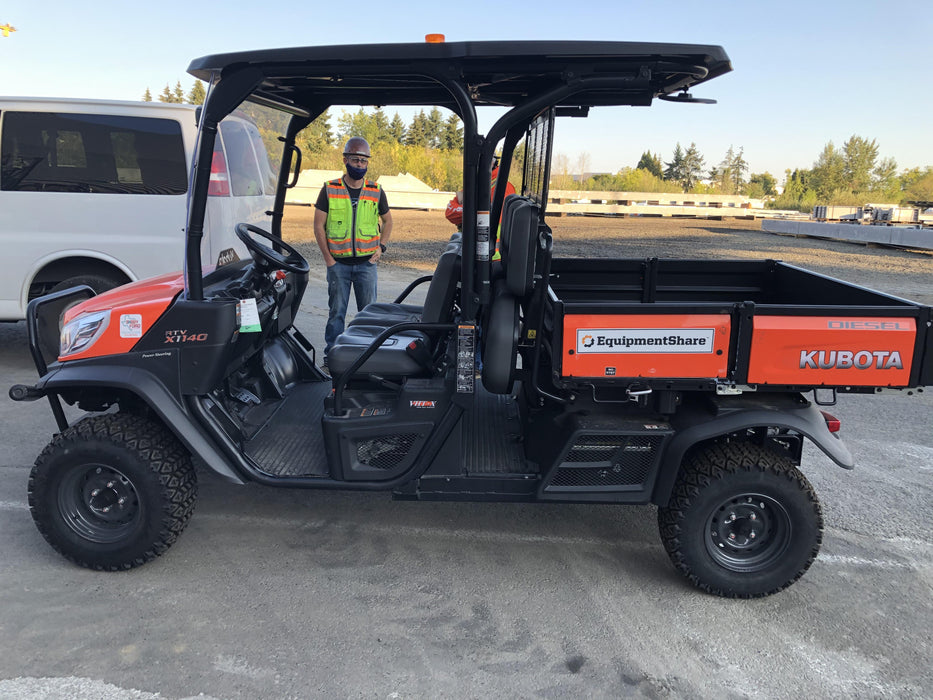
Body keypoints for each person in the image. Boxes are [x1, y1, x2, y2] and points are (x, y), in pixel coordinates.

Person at [313, 137, 392, 366]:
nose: (359, 165)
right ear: (345, 159)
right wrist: (329, 260)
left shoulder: (376, 190)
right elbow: (319, 225)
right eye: (355, 159)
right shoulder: (330, 188)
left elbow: (388, 222)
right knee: (336, 314)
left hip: (367, 265)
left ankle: (368, 358)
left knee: (369, 316)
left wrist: (382, 247)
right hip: (338, 265)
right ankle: (332, 358)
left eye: (363, 160)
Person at [445, 162, 516, 259]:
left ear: (492, 162)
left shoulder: (502, 187)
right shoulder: (478, 183)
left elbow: (486, 216)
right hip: (472, 251)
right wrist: (473, 208)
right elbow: (450, 212)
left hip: (491, 258)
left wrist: (467, 207)